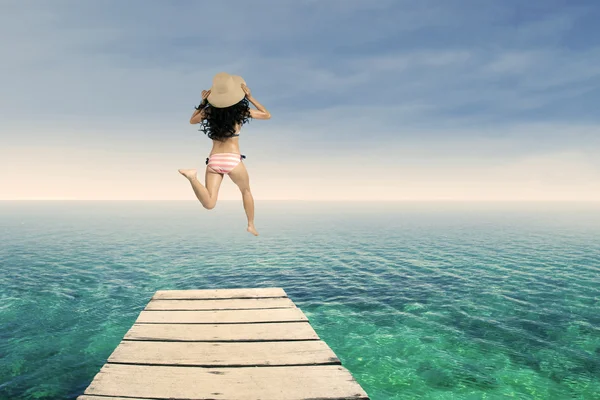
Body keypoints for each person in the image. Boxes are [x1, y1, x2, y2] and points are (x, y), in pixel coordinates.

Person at [178, 72, 271, 236]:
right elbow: (266, 115)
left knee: (210, 203)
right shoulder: (241, 112)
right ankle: (250, 224)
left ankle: (192, 177)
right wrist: (250, 97)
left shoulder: (209, 112)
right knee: (246, 191)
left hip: (214, 160)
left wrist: (203, 102)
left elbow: (192, 120)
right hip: (233, 160)